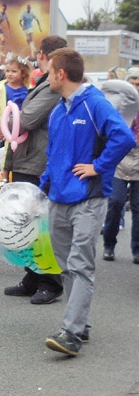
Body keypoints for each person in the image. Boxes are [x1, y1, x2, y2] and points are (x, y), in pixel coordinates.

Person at [41, 48, 135, 356]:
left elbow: (124, 137)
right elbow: (54, 153)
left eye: (50, 70)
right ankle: (80, 323)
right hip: (58, 197)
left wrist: (98, 166)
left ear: (61, 74)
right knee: (66, 264)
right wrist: (41, 187)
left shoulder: (94, 103)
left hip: (88, 198)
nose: (47, 75)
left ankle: (71, 332)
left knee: (80, 264)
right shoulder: (59, 110)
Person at [0, 35, 67, 304]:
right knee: (25, 222)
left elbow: (27, 119)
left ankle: (51, 281)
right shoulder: (43, 81)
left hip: (39, 161)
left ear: (43, 55)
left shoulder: (52, 85)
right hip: (28, 159)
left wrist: (6, 121)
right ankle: (32, 275)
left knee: (40, 225)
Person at [101, 76, 139, 264]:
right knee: (115, 202)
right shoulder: (118, 106)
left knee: (138, 207)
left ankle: (137, 249)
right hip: (119, 159)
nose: (135, 88)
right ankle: (109, 244)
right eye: (132, 83)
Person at [0, 56, 30, 142]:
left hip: (22, 126)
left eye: (14, 71)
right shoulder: (0, 88)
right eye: (7, 71)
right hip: (3, 126)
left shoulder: (28, 89)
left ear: (23, 73)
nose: (9, 74)